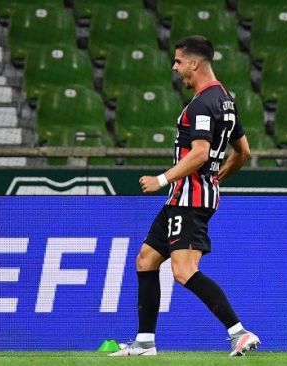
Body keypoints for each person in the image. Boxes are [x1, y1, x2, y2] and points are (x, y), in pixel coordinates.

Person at [110, 35, 260, 357]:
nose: (175, 67)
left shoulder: (202, 103)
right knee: (146, 260)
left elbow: (201, 152)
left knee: (183, 270)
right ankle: (145, 342)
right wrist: (216, 179)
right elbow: (243, 152)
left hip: (189, 200)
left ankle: (239, 331)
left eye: (179, 61)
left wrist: (162, 178)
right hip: (184, 197)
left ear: (194, 63)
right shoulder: (226, 101)